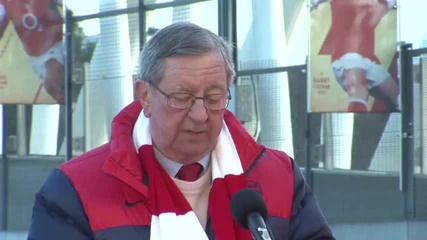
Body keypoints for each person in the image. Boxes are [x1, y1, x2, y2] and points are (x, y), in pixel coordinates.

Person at [27, 22, 334, 240]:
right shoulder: (74, 189)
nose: (200, 115)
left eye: (215, 98)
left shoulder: (279, 176)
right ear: (145, 96)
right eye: (181, 98)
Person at [312, 0, 399, 112]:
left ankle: (412, 121)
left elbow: (378, 13)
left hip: (369, 57)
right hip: (347, 54)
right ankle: (357, 113)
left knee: (395, 94)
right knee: (358, 87)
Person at [0, 0, 65, 104]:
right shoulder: (4, 3)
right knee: (51, 90)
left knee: (52, 80)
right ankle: (69, 106)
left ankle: (71, 107)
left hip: (53, 45)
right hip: (33, 54)